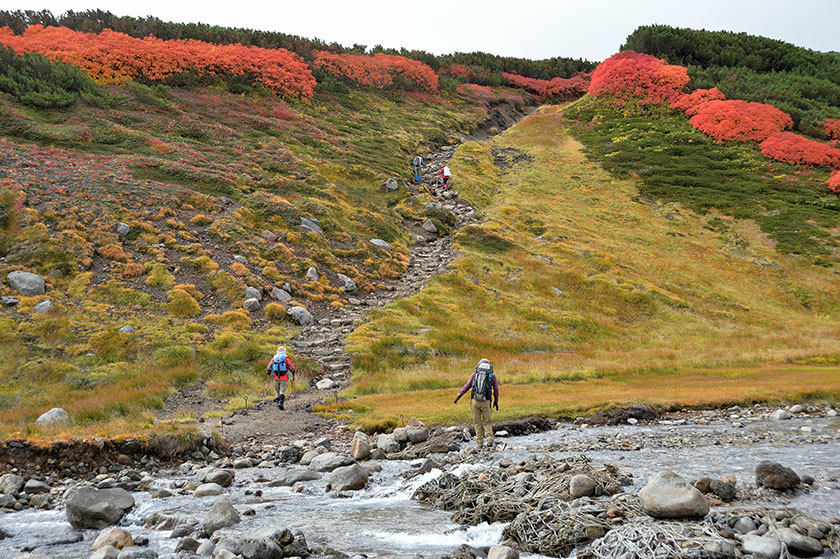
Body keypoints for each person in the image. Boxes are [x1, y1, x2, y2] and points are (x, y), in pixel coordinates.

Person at [453, 358, 499, 449]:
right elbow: (496, 390)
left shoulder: (475, 374)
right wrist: (496, 401)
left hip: (475, 401)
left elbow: (467, 386)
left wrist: (458, 396)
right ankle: (489, 441)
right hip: (486, 401)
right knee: (487, 422)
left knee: (477, 423)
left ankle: (479, 443)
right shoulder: (492, 375)